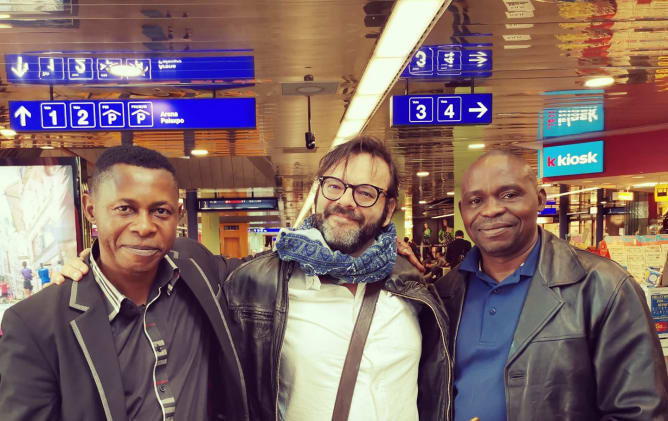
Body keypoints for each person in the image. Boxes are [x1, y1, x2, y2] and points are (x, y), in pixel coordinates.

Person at [0, 146, 249, 421]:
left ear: (178, 213)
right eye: (125, 209)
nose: (144, 226)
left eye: (160, 211)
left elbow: (269, 267)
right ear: (90, 209)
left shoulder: (196, 266)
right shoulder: (36, 324)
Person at [224, 135, 450, 420]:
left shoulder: (413, 291)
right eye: (334, 186)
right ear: (317, 193)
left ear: (388, 210)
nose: (345, 201)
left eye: (365, 193)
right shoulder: (260, 287)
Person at [435, 151, 668, 421]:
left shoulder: (603, 287)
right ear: (463, 211)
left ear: (540, 199)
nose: (491, 210)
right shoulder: (443, 296)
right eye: (476, 200)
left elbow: (640, 411)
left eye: (509, 195)